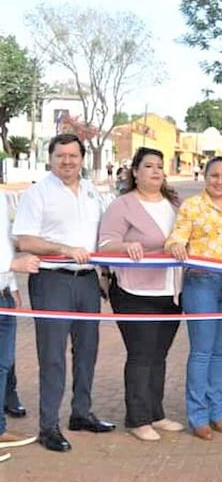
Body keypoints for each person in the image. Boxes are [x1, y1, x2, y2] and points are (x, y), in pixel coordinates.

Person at [13, 133, 117, 453]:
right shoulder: (37, 193)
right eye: (61, 156)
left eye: (73, 156)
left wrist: (103, 273)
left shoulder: (91, 191)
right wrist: (64, 249)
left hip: (86, 282)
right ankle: (49, 426)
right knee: (53, 356)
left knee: (87, 350)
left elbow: (102, 237)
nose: (67, 161)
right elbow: (24, 240)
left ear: (83, 158)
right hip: (51, 281)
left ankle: (81, 413)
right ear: (51, 158)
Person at [98, 147, 184, 441]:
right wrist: (126, 247)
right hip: (134, 291)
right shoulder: (123, 205)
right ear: (135, 172)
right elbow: (106, 243)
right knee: (141, 354)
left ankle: (155, 412)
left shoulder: (173, 204)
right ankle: (137, 418)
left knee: (159, 354)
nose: (156, 171)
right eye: (148, 166)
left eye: (160, 166)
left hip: (170, 291)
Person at [166, 156, 222, 441]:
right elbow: (176, 239)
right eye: (214, 176)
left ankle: (217, 413)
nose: (220, 181)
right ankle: (198, 416)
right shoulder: (192, 206)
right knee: (201, 351)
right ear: (205, 177)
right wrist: (176, 247)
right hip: (201, 283)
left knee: (220, 351)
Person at [0, 192, 40, 458]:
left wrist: (11, 283)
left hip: (3, 292)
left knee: (3, 364)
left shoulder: (1, 197)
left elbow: (4, 242)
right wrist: (12, 264)